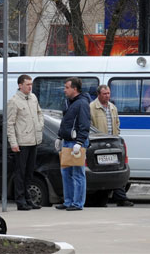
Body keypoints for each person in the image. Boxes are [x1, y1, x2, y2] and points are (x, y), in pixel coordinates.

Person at [89, 84, 134, 207]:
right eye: (104, 94)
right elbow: (90, 126)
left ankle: (120, 197)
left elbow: (117, 123)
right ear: (99, 94)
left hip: (112, 142)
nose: (107, 96)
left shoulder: (112, 107)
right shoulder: (92, 108)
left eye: (108, 93)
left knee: (117, 169)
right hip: (99, 143)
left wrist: (116, 135)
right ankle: (112, 198)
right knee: (105, 171)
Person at [7, 74, 44, 211]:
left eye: (31, 84)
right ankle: (20, 200)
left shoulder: (33, 98)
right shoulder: (14, 101)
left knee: (29, 172)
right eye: (27, 84)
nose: (30, 87)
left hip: (33, 140)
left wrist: (40, 125)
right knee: (20, 173)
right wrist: (13, 143)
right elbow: (10, 124)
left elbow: (40, 113)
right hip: (22, 141)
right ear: (20, 85)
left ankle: (29, 199)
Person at [55, 77, 91, 211]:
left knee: (77, 174)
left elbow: (84, 123)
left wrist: (80, 142)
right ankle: (68, 201)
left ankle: (77, 203)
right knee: (66, 173)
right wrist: (59, 136)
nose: (64, 90)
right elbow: (65, 122)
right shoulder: (69, 102)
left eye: (67, 87)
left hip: (76, 143)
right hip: (67, 141)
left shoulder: (82, 103)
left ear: (74, 89)